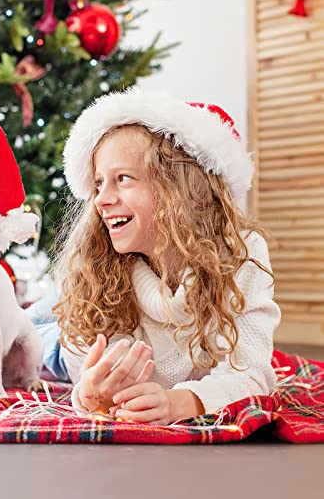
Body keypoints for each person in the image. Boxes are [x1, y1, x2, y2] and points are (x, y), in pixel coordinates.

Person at [27, 89, 281, 425]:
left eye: (123, 179)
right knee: (22, 333)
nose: (101, 199)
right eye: (99, 183)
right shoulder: (101, 271)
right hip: (62, 338)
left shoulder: (240, 253)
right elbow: (88, 366)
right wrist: (90, 391)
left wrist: (180, 402)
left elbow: (253, 374)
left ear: (180, 189)